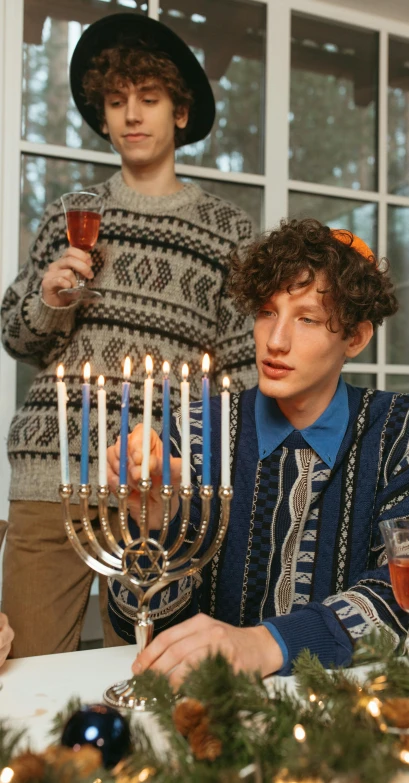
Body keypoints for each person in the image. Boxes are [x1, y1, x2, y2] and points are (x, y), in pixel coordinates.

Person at [106, 218, 409, 686]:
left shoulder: (405, 432)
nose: (275, 341)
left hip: (352, 707)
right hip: (212, 704)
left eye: (307, 319)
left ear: (355, 338)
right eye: (267, 312)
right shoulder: (196, 429)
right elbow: (138, 622)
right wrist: (152, 532)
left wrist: (266, 643)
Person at [0, 13, 256, 658]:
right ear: (102, 114)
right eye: (116, 102)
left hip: (155, 490)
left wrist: (205, 477)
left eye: (148, 99)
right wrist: (49, 300)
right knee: (24, 673)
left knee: (150, 676)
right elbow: (13, 334)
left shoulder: (229, 232)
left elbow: (243, 377)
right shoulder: (70, 215)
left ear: (180, 111)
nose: (130, 116)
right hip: (49, 478)